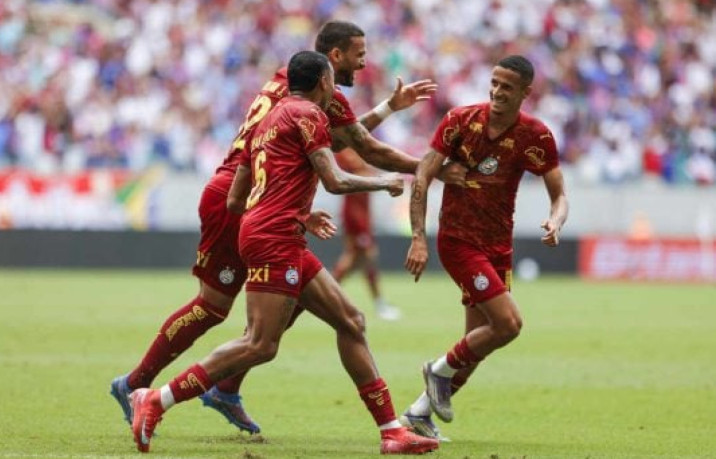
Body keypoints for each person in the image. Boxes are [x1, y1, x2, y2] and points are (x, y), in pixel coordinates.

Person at [109, 20, 441, 436]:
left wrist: (390, 110)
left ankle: (227, 386)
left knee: (310, 303)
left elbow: (337, 140)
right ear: (333, 60)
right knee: (217, 309)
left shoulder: (290, 82)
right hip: (242, 199)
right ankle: (139, 385)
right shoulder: (318, 95)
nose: (364, 62)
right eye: (358, 54)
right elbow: (359, 147)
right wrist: (433, 167)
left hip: (257, 199)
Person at [399, 55, 569, 440]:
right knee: (509, 325)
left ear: (526, 92)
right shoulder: (460, 120)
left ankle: (418, 414)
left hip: (498, 247)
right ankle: (437, 369)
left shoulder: (536, 136)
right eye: (494, 82)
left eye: (507, 87)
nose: (496, 92)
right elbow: (423, 174)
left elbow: (559, 194)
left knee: (478, 345)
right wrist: (418, 238)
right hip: (459, 241)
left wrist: (556, 219)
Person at [332, 148, 401, 320]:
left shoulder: (358, 147)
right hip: (355, 213)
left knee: (358, 258)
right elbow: (360, 173)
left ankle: (328, 293)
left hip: (362, 211)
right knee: (366, 256)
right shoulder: (344, 151)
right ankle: (379, 304)